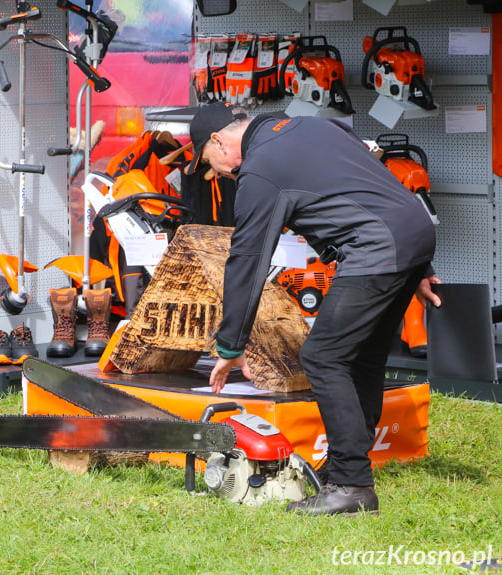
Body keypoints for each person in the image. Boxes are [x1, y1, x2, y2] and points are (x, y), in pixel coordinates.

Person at [187, 102, 441, 516]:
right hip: (411, 233)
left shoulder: (260, 169)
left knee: (324, 356)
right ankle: (347, 465)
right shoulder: (311, 126)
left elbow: (247, 260)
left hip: (376, 248)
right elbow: (378, 184)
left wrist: (230, 346)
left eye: (209, 163)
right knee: (362, 357)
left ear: (219, 141)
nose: (215, 173)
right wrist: (419, 264)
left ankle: (352, 486)